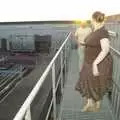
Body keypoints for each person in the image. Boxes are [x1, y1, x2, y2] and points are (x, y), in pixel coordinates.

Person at [75, 11, 113, 112]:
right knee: (87, 81)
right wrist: (84, 43)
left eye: (91, 20)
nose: (90, 21)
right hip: (88, 62)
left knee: (96, 83)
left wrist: (95, 64)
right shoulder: (95, 30)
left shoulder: (103, 32)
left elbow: (105, 49)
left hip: (97, 62)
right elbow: (94, 42)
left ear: (93, 20)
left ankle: (97, 104)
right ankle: (89, 103)